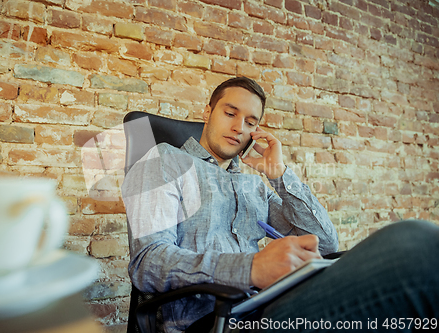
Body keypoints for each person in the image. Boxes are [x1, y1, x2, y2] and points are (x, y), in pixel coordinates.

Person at [121, 77, 439, 332]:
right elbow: (147, 262)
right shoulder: (163, 161)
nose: (238, 128)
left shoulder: (253, 186)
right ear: (207, 112)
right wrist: (251, 268)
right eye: (230, 113)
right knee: (415, 245)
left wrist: (279, 175)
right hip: (216, 320)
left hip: (273, 304)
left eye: (250, 122)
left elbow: (326, 242)